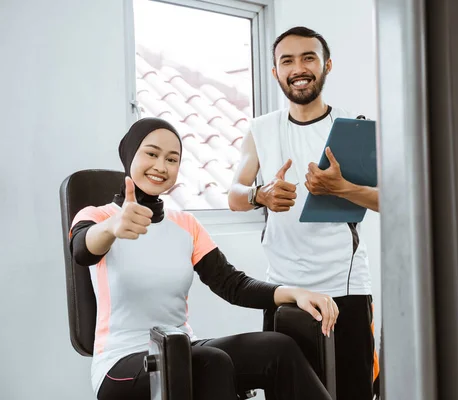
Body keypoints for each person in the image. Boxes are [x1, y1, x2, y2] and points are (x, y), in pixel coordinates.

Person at [70, 117, 339, 400]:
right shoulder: (98, 217)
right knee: (212, 362)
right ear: (130, 155)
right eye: (151, 154)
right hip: (120, 363)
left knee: (277, 348)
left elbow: (232, 284)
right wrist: (112, 227)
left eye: (172, 159)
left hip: (182, 351)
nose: (161, 166)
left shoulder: (186, 225)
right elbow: (82, 250)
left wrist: (294, 293)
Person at [228, 26, 380, 400]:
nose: (299, 68)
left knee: (352, 392)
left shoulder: (353, 126)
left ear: (326, 65)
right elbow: (234, 195)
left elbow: (391, 200)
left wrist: (342, 188)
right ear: (276, 72)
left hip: (346, 287)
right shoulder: (260, 129)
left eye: (308, 58)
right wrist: (259, 195)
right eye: (287, 60)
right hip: (285, 290)